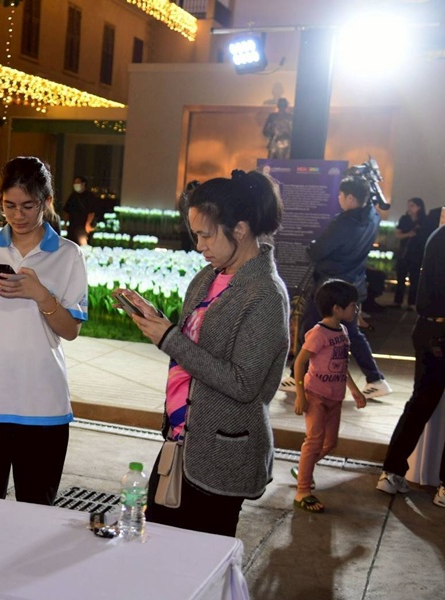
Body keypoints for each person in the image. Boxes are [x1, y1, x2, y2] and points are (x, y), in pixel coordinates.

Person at [119, 169, 289, 537]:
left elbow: (244, 384)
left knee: (198, 558)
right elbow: (194, 344)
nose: (199, 246)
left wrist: (169, 338)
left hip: (221, 453)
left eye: (206, 235)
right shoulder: (208, 277)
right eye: (196, 235)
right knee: (160, 545)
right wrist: (157, 321)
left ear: (239, 229)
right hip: (182, 439)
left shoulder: (265, 295)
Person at [0, 156, 88, 505]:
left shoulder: (68, 254)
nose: (18, 215)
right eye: (9, 205)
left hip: (42, 404)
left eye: (28, 206)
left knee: (37, 511)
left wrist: (41, 295)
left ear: (47, 201)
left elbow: (70, 330)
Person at [281, 176, 392, 398]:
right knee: (352, 332)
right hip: (353, 284)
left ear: (350, 197)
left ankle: (296, 376)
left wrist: (312, 247)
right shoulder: (373, 217)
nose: (339, 199)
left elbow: (317, 251)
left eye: (340, 195)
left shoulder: (343, 223)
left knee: (309, 327)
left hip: (329, 288)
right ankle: (376, 379)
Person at [377, 214, 445, 508]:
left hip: (427, 329)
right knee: (422, 403)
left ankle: (391, 472)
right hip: (441, 331)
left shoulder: (437, 236)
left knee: (419, 404)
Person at [292, 280, 367, 513]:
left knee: (330, 443)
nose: (356, 309)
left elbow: (341, 365)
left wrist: (354, 390)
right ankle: (303, 491)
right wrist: (300, 394)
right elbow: (300, 362)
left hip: (335, 397)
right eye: (353, 305)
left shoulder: (343, 331)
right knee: (314, 441)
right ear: (337, 308)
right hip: (315, 395)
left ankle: (304, 469)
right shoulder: (318, 333)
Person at [392, 197, 427, 308]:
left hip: (417, 253)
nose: (409, 208)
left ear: (419, 207)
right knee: (400, 277)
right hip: (405, 252)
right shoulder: (404, 219)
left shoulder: (424, 221)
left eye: (412, 206)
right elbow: (397, 234)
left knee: (415, 279)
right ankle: (398, 301)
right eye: (409, 206)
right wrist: (408, 234)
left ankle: (411, 302)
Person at [64, 175, 95, 245]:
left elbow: (92, 212)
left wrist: (88, 223)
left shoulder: (89, 196)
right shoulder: (73, 196)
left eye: (78, 183)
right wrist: (65, 224)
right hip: (72, 226)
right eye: (75, 183)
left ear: (83, 184)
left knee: (83, 244)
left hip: (83, 226)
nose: (76, 185)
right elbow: (67, 211)